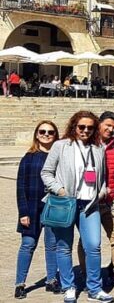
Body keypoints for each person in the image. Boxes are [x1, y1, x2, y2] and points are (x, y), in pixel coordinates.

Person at [41, 111, 113, 303]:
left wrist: (102, 190)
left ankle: (95, 289)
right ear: (74, 126)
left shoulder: (99, 148)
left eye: (90, 127)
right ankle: (68, 286)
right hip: (65, 203)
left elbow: (103, 176)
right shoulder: (61, 146)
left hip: (89, 205)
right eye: (82, 127)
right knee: (64, 247)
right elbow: (46, 173)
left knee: (94, 246)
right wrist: (61, 190)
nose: (86, 130)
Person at [77, 112, 114, 293]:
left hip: (112, 200)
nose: (110, 129)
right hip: (89, 201)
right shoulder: (86, 145)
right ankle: (88, 276)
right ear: (99, 124)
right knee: (88, 241)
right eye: (107, 125)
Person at [15, 121, 60, 299]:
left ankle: (51, 280)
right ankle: (20, 283)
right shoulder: (29, 157)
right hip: (32, 207)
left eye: (50, 132)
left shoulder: (59, 156)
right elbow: (21, 187)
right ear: (37, 134)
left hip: (53, 207)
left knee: (52, 245)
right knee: (27, 245)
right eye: (42, 131)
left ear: (56, 135)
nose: (46, 134)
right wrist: (23, 212)